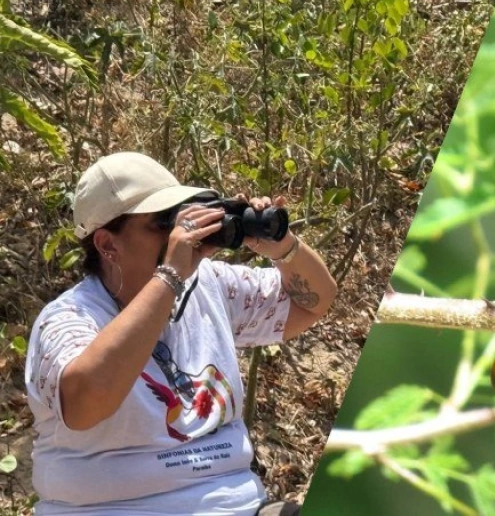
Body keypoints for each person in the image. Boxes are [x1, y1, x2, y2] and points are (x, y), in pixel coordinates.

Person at [24, 152, 338, 515]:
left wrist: (282, 247)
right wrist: (169, 276)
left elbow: (312, 303)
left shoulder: (209, 286)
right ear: (108, 245)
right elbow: (85, 404)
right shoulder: (67, 319)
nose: (179, 234)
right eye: (163, 223)